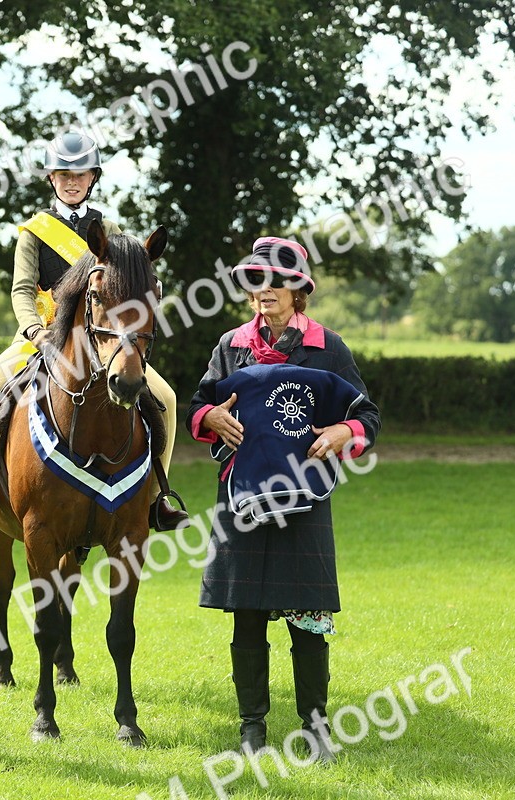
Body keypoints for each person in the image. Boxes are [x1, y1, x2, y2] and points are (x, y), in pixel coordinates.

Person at [186, 236, 381, 763]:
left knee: (308, 621)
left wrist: (344, 433)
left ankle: (316, 729)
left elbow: (367, 416)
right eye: (256, 281)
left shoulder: (328, 347)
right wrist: (211, 419)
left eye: (276, 281)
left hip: (305, 499)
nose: (264, 290)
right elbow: (198, 406)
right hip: (242, 498)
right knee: (246, 618)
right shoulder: (230, 345)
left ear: (299, 290)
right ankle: (252, 728)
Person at [0, 129, 188, 531]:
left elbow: (125, 284)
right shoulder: (33, 231)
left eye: (80, 174)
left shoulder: (110, 227)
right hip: (43, 336)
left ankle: (157, 497)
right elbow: (22, 289)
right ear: (51, 178)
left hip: (103, 339)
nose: (71, 180)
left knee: (164, 397)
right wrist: (33, 330)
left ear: (93, 178)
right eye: (63, 173)